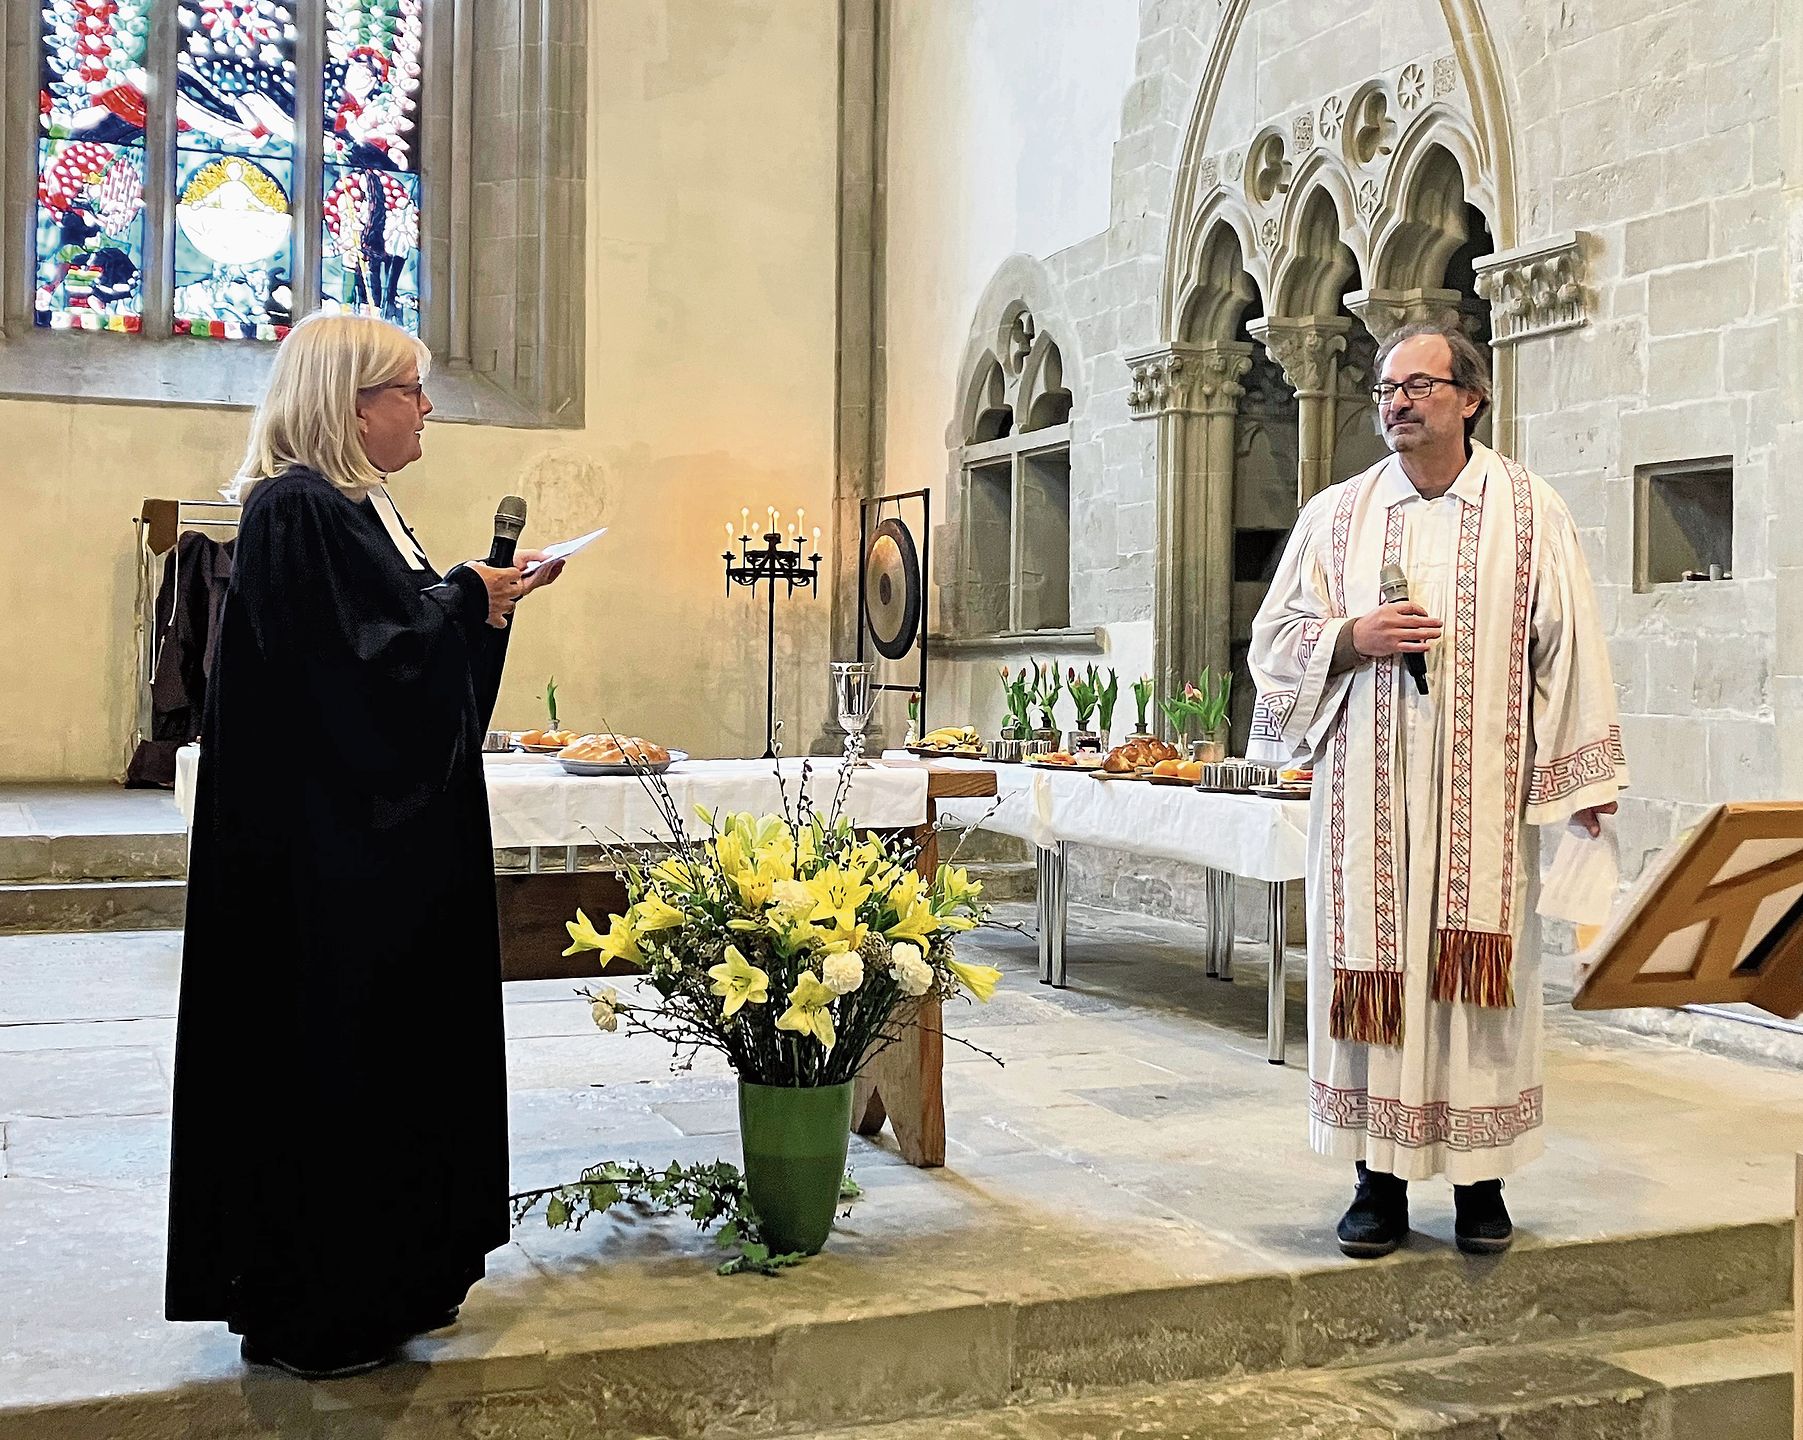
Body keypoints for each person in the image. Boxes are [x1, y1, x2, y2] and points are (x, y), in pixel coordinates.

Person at [165, 312, 565, 1377]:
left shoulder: (358, 510)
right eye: (409, 391)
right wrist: (460, 599)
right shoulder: (297, 508)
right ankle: (325, 1308)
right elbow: (351, 677)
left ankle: (397, 1278)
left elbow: (408, 662)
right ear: (350, 405)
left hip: (379, 856)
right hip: (328, 871)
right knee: (337, 1067)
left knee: (394, 1061)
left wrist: (482, 604)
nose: (426, 409)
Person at [1248, 321, 1625, 1259]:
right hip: (1365, 799)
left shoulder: (1529, 513)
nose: (1397, 403)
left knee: (1474, 985)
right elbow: (1273, 640)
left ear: (1470, 397)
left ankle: (1478, 1182)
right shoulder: (1335, 515)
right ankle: (1374, 1181)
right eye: (1386, 389)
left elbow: (1567, 647)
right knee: (1370, 979)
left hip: (1480, 804)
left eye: (1418, 386)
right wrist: (1350, 638)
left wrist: (1583, 777)